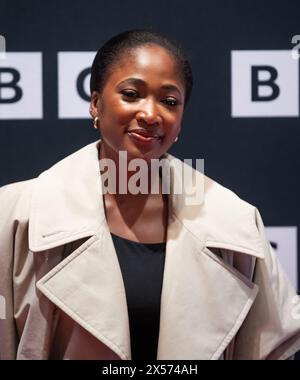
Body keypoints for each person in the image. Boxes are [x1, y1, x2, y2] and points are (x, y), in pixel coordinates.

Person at [0, 29, 300, 360]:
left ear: (181, 119)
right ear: (96, 103)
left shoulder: (234, 221)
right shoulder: (18, 214)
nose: (151, 114)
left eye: (170, 101)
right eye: (131, 94)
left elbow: (275, 344)